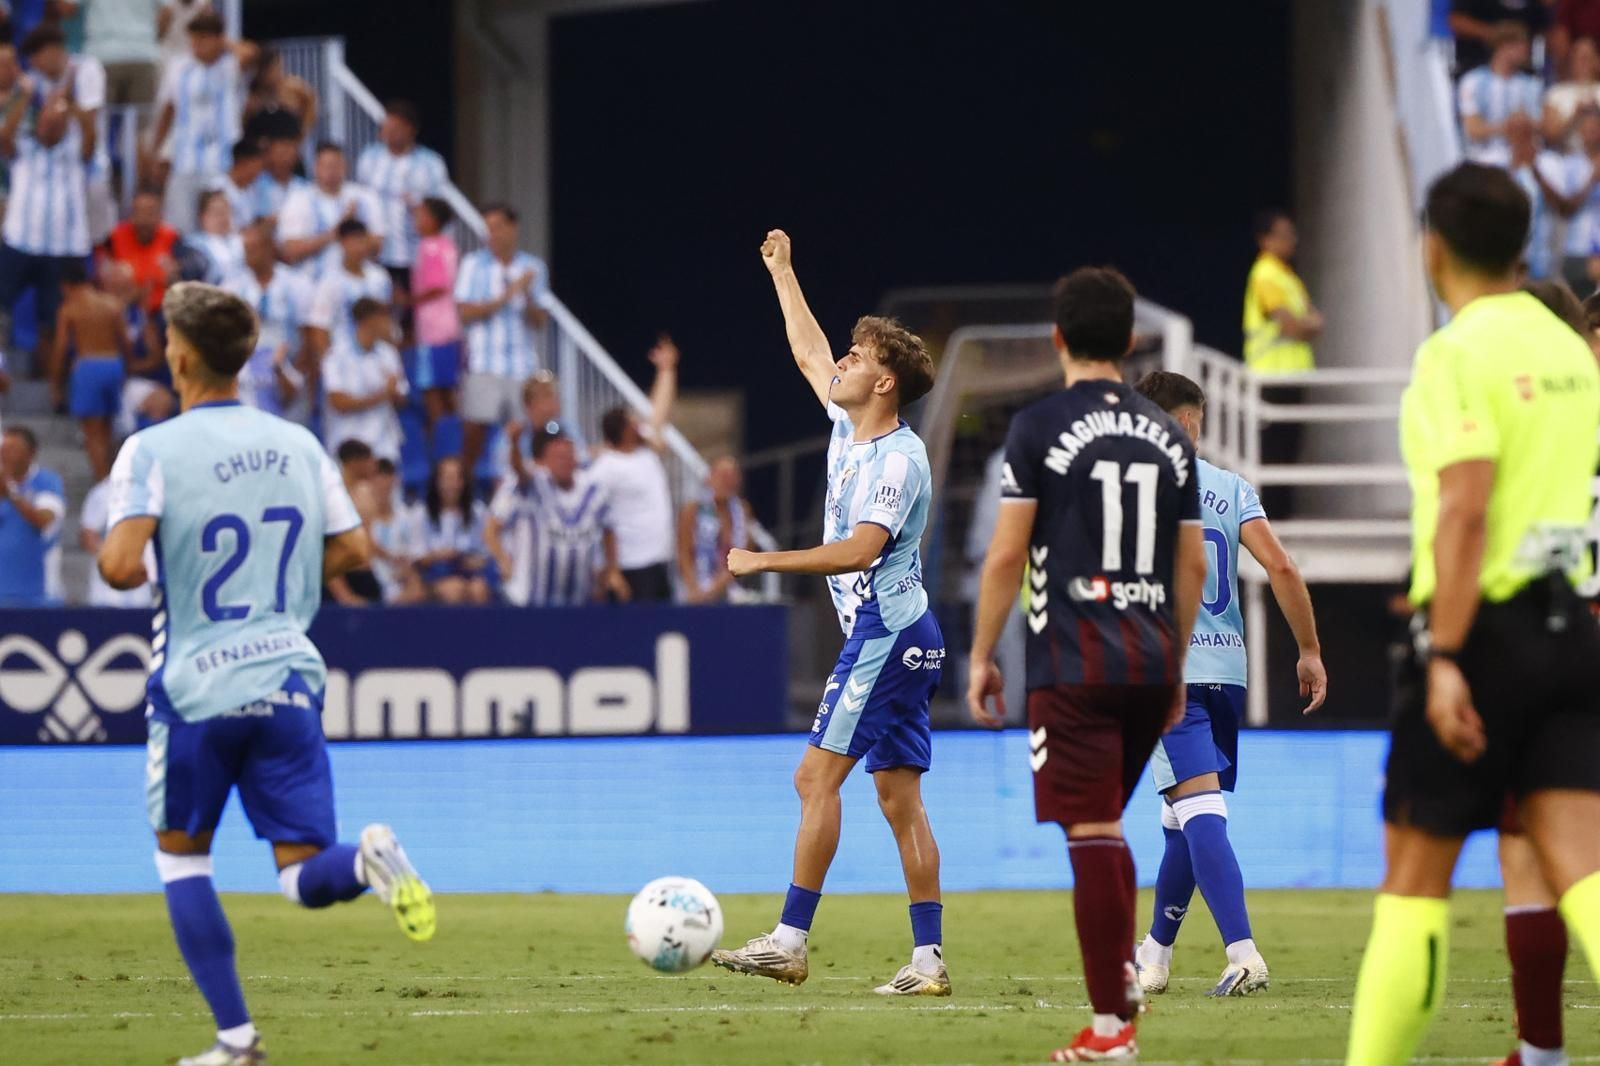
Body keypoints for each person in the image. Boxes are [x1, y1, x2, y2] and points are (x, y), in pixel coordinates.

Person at [95, 281, 434, 1066]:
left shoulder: (151, 449)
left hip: (196, 689)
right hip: (287, 679)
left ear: (179, 355)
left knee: (182, 857)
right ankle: (364, 859)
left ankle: (237, 1040)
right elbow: (354, 550)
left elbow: (115, 566)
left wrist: (160, 550)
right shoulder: (300, 444)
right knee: (300, 872)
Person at [1343, 162, 1600, 1065]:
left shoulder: (1457, 351)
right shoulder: (1573, 350)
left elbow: (1465, 505)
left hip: (1482, 636)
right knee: (1584, 871)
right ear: (1522, 242)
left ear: (1434, 244)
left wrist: (1444, 652)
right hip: (1573, 629)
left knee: (1415, 885)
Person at [967, 267, 1208, 1061]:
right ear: (1131, 341)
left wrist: (980, 656)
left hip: (1073, 663)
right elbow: (1193, 567)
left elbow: (1006, 556)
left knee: (1092, 827)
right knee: (1105, 819)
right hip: (1149, 662)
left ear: (1058, 339)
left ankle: (1110, 1027)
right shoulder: (1170, 434)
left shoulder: (1038, 426)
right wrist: (1173, 666)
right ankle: (1121, 977)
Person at [711, 229, 950, 999]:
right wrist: (785, 274)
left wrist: (763, 562)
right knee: (899, 797)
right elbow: (809, 350)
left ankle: (788, 939)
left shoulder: (896, 459)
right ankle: (928, 960)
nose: (841, 363)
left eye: (858, 359)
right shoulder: (852, 426)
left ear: (884, 385)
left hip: (885, 630)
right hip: (909, 630)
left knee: (814, 777)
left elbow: (859, 550)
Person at [1129, 369, 1328, 1000]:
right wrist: (1309, 650)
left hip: (1168, 675)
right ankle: (1154, 955)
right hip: (1227, 674)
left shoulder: (1133, 493)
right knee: (1182, 817)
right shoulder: (1231, 487)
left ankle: (1242, 952)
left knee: (1198, 812)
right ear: (1191, 421)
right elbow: (1282, 566)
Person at [0, 24, 96, 379]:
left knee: (53, 320)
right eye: (43, 121)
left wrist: (70, 105)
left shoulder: (75, 149)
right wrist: (25, 98)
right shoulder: (23, 146)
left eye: (55, 122)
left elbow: (89, 136)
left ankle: (52, 383)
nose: (48, 125)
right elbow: (4, 137)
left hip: (63, 246)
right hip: (21, 240)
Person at [454, 202, 548, 476]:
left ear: (513, 228)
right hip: (484, 363)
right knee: (474, 433)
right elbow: (465, 312)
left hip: (521, 365)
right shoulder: (473, 265)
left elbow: (540, 320)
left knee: (528, 435)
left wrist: (527, 294)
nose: (492, 234)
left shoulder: (533, 267)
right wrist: (508, 294)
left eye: (498, 227)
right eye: (488, 229)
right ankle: (465, 495)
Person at [486, 430, 623, 607]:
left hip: (577, 601)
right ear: (546, 462)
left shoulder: (592, 490)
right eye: (558, 458)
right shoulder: (534, 485)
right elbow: (519, 472)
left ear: (575, 459)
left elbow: (608, 528)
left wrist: (612, 569)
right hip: (530, 600)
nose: (564, 462)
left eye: (568, 456)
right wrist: (514, 444)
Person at [587, 337, 678, 602]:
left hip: (658, 559)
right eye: (632, 422)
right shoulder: (605, 467)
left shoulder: (645, 452)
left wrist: (667, 369)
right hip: (630, 565)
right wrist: (609, 569)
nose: (638, 424)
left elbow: (659, 411)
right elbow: (595, 518)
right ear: (622, 431)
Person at [149, 12, 253, 234]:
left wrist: (224, 41)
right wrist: (157, 152)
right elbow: (168, 111)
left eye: (204, 38)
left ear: (218, 39)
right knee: (180, 227)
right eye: (194, 39)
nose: (197, 45)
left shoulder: (231, 65)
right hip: (184, 160)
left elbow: (251, 53)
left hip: (222, 163)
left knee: (221, 226)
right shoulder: (178, 67)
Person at [356, 99, 448, 306]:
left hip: (416, 252)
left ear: (411, 130)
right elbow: (362, 200)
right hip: (378, 251)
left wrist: (415, 204)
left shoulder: (431, 163)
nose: (390, 132)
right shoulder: (369, 158)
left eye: (397, 128)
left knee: (412, 311)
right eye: (387, 126)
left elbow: (439, 208)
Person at [222, 219, 313, 424]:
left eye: (254, 248)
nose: (249, 255)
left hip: (289, 375)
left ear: (271, 247)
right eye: (246, 249)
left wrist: (295, 377)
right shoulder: (232, 287)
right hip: (247, 382)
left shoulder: (297, 285)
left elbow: (308, 338)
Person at [54, 259, 132, 482]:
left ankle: (102, 485)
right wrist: (129, 366)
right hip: (113, 364)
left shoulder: (69, 308)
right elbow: (125, 341)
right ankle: (112, 478)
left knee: (92, 432)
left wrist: (55, 382)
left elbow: (60, 347)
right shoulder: (112, 303)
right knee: (108, 429)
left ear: (65, 285)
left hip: (88, 365)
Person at [277, 142, 382, 281]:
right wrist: (336, 231)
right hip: (312, 283)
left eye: (336, 165)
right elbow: (290, 252)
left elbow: (377, 246)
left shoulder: (365, 197)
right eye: (326, 166)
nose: (332, 171)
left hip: (357, 284)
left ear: (345, 167)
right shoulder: (299, 200)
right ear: (316, 168)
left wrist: (354, 233)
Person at [322, 297, 406, 464]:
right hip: (348, 445)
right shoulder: (336, 355)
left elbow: (402, 399)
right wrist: (382, 395)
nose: (389, 323)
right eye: (385, 317)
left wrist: (394, 393)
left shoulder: (388, 353)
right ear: (371, 320)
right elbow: (338, 402)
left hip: (384, 443)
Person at [1243, 209, 1322, 374]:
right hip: (1269, 372)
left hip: (1295, 372)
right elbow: (1289, 326)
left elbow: (1317, 321)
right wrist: (1303, 325)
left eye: (1292, 235)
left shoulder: (1290, 277)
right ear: (1265, 240)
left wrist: (1304, 325)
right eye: (1284, 235)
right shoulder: (1265, 274)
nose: (1291, 241)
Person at [1459, 23, 1546, 166]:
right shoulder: (1473, 81)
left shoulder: (1532, 85)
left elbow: (1540, 125)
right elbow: (1472, 129)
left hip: (1525, 157)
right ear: (1503, 47)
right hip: (1484, 156)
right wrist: (1507, 127)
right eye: (1520, 46)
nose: (1526, 51)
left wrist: (1524, 124)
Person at [307, 218, 392, 363]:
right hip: (343, 357)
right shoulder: (330, 281)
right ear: (342, 243)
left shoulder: (380, 278)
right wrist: (331, 364)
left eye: (362, 241)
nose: (359, 248)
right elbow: (319, 326)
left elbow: (385, 320)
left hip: (375, 357)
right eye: (353, 242)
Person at [409, 196, 460, 426]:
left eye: (421, 215)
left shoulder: (429, 246)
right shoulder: (448, 245)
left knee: (433, 391)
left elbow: (437, 285)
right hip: (449, 326)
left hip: (433, 330)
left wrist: (405, 299)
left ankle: (443, 448)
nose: (416, 220)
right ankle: (450, 445)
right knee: (447, 391)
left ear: (434, 219)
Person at [0, 424, 64, 606]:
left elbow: (44, 519)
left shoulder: (46, 482)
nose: (5, 456)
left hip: (38, 595)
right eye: (3, 450)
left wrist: (11, 492)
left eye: (12, 450)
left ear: (31, 453)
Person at [677, 455, 755, 604]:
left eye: (731, 476)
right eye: (722, 476)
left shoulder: (742, 511)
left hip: (729, 587)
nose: (726, 482)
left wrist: (717, 586)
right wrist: (694, 588)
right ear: (710, 478)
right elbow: (683, 553)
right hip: (695, 587)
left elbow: (745, 551)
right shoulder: (692, 510)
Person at [416, 454, 492, 604]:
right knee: (454, 589)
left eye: (456, 478)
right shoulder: (421, 514)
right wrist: (438, 555)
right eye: (446, 478)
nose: (451, 484)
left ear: (463, 482)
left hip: (469, 573)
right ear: (437, 482)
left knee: (479, 589)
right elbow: (416, 557)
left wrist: (468, 560)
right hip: (434, 575)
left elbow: (485, 555)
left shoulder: (478, 512)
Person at [1507, 112, 1573, 280]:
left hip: (1546, 260)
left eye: (1525, 131)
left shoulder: (1551, 162)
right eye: (1515, 131)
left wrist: (1536, 172)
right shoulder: (1497, 162)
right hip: (1510, 262)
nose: (1520, 136)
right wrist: (1513, 168)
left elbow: (1563, 207)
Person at [107, 185, 179, 314]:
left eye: (150, 213)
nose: (143, 219)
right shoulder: (115, 237)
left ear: (160, 215)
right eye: (138, 212)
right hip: (124, 309)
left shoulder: (173, 239)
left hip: (162, 313)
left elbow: (178, 284)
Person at [365, 456, 424, 605]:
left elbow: (417, 552)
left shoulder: (408, 517)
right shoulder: (360, 518)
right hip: (371, 580)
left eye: (387, 477)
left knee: (417, 589)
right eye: (377, 478)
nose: (382, 484)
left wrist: (407, 567)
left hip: (401, 579)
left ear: (395, 480)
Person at [84, 0, 161, 106]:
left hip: (103, 54)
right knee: (141, 118)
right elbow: (167, 12)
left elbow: (67, 8)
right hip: (142, 53)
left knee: (101, 119)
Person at [241, 45, 315, 147]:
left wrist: (302, 131)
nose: (274, 73)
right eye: (270, 69)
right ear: (261, 72)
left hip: (290, 147)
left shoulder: (295, 88)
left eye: (277, 67)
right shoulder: (253, 98)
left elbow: (311, 103)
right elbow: (245, 124)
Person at [1450, 1, 1549, 77]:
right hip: (1473, 63)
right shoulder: (1473, 81)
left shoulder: (1531, 85)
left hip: (1523, 72)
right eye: (1512, 45)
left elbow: (1546, 28)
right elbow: (1456, 20)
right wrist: (1497, 35)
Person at [1544, 34, 1600, 146]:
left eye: (1588, 57)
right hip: (1564, 157)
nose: (1583, 63)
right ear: (1571, 61)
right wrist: (1576, 115)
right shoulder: (1556, 93)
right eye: (1579, 58)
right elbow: (1550, 135)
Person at [249, 130, 307, 227]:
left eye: (289, 150)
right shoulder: (256, 184)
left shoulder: (304, 186)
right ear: (269, 154)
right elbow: (255, 219)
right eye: (281, 151)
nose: (285, 157)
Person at [205, 139, 263, 234]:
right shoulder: (217, 186)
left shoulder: (252, 190)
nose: (259, 172)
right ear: (243, 162)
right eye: (256, 166)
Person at [189, 189, 243, 285]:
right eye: (216, 212)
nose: (222, 217)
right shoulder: (193, 245)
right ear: (202, 216)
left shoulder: (240, 240)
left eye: (226, 211)